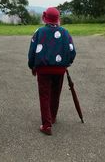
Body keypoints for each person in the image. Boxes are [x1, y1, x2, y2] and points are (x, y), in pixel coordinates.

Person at [28, 7, 76, 135]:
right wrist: (66, 64)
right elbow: (72, 51)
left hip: (43, 70)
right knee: (55, 94)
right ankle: (52, 117)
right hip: (59, 70)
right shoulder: (65, 33)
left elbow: (32, 52)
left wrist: (32, 66)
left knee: (44, 95)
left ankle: (46, 125)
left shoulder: (39, 32)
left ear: (45, 18)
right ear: (58, 19)